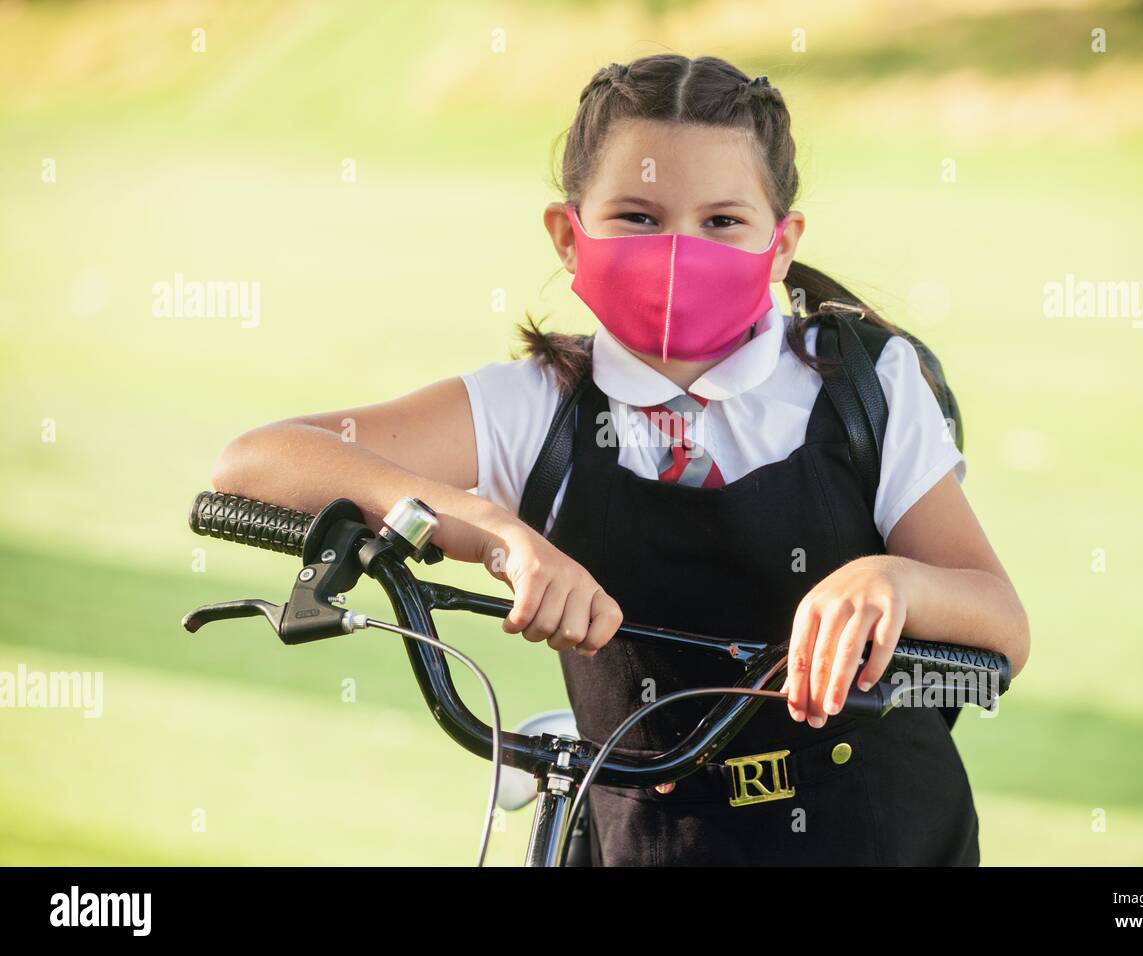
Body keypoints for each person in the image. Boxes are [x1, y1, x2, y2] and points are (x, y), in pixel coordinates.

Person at [211, 54, 1030, 866]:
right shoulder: (534, 406)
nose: (679, 251)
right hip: (649, 843)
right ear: (570, 236)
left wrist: (895, 581)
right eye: (639, 217)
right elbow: (257, 461)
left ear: (781, 248)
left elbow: (1002, 627)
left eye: (722, 222)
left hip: (890, 836)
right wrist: (490, 530)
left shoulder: (864, 386)